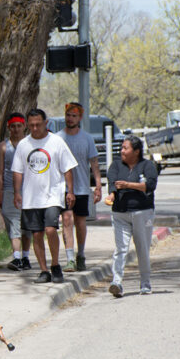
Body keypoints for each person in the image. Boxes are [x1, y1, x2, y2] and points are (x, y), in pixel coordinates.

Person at [11, 109, 77, 285]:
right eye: (31, 125)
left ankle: (55, 264)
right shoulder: (24, 145)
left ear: (45, 123)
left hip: (53, 195)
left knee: (50, 229)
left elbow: (68, 168)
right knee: (37, 234)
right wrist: (17, 192)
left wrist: (70, 191)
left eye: (38, 124)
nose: (34, 128)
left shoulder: (57, 142)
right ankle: (44, 270)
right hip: (31, 197)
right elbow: (17, 171)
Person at [105, 135, 158, 297]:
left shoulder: (147, 165)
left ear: (136, 151)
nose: (122, 151)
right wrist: (112, 195)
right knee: (121, 249)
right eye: (121, 148)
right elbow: (113, 183)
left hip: (143, 213)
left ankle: (145, 283)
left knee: (142, 248)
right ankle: (117, 282)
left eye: (125, 148)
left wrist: (128, 185)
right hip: (120, 213)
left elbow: (150, 185)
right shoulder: (116, 165)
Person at [56, 102, 102, 271]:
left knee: (80, 222)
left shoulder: (87, 138)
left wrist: (98, 186)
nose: (70, 118)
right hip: (63, 188)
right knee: (67, 220)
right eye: (68, 115)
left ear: (80, 118)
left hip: (82, 187)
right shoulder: (58, 138)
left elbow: (94, 163)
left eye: (74, 116)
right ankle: (69, 259)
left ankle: (80, 254)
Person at [0, 113, 32, 270]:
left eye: (19, 126)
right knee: (13, 224)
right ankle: (16, 257)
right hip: (10, 189)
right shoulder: (3, 147)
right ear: (9, 128)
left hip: (29, 191)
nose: (16, 129)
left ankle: (25, 257)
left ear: (24, 126)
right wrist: (0, 193)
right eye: (13, 126)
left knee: (27, 226)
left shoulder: (31, 145)